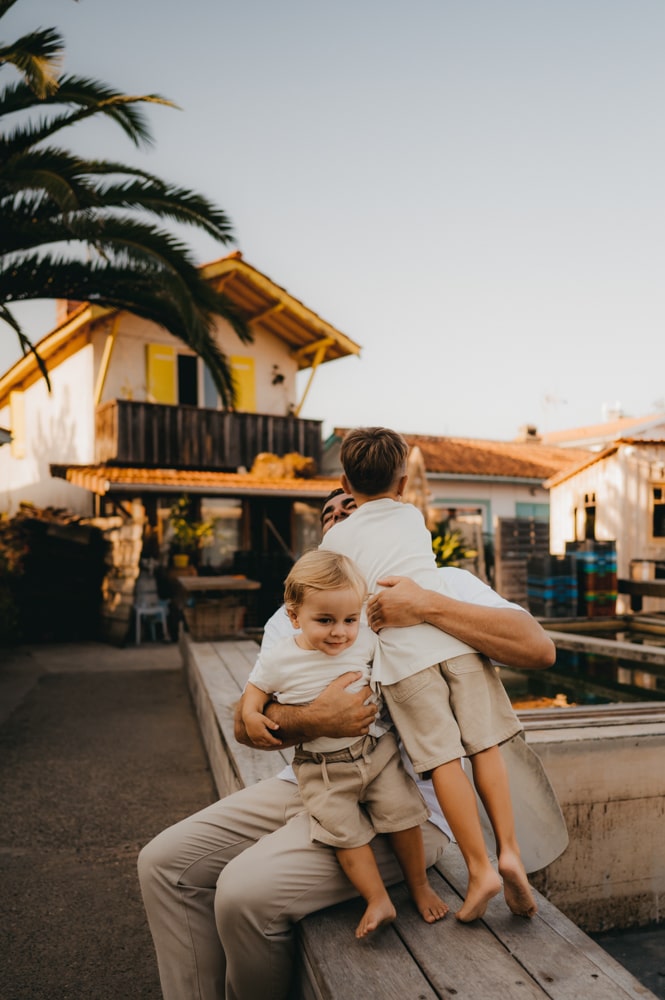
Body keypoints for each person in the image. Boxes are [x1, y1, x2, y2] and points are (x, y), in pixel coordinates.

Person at [138, 487, 556, 1000]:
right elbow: (247, 726)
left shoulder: (443, 582)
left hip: (405, 807)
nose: (337, 521)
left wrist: (426, 604)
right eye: (327, 516)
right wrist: (317, 718)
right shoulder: (295, 614)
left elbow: (538, 648)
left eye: (349, 510)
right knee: (163, 864)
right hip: (307, 780)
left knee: (242, 895)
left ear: (383, 517)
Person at [320, 427, 536, 922]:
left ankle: (480, 868)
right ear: (401, 482)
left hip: (403, 662)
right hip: (455, 643)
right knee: (484, 746)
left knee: (443, 762)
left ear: (345, 483)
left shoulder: (340, 540)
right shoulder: (413, 515)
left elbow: (343, 601)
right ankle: (510, 851)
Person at [242, 548, 448, 938]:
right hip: (322, 769)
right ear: (293, 616)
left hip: (377, 753)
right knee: (344, 836)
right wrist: (254, 715)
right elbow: (253, 695)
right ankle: (377, 899)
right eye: (325, 620)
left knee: (403, 815)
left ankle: (419, 887)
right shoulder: (279, 658)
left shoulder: (364, 642)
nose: (339, 632)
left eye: (350, 619)